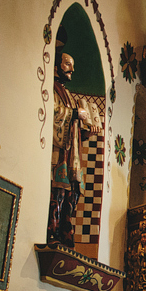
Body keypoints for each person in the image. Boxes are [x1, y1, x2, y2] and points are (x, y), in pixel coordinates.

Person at [50, 51, 101, 247]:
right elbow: (54, 112)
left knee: (73, 191)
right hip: (60, 154)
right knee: (58, 190)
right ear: (56, 66)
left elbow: (75, 130)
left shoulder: (69, 95)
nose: (72, 69)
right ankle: (53, 230)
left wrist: (89, 133)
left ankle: (66, 230)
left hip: (73, 155)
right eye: (67, 64)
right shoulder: (52, 89)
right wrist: (73, 113)